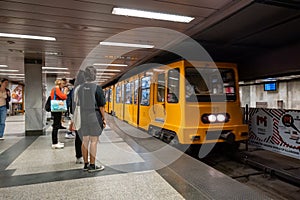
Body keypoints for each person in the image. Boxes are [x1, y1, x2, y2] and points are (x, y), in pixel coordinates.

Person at [78, 66, 106, 172]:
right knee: (94, 141)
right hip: (94, 115)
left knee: (85, 140)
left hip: (83, 116)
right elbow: (101, 106)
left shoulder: (80, 88)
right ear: (94, 75)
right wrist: (104, 119)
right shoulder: (97, 88)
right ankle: (92, 165)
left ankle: (85, 165)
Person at [50, 79, 68, 149]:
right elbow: (64, 97)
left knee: (56, 125)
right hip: (56, 110)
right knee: (56, 126)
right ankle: (54, 143)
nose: (64, 86)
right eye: (63, 84)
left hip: (56, 109)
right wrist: (65, 92)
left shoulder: (54, 89)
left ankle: (56, 141)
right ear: (60, 84)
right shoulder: (56, 89)